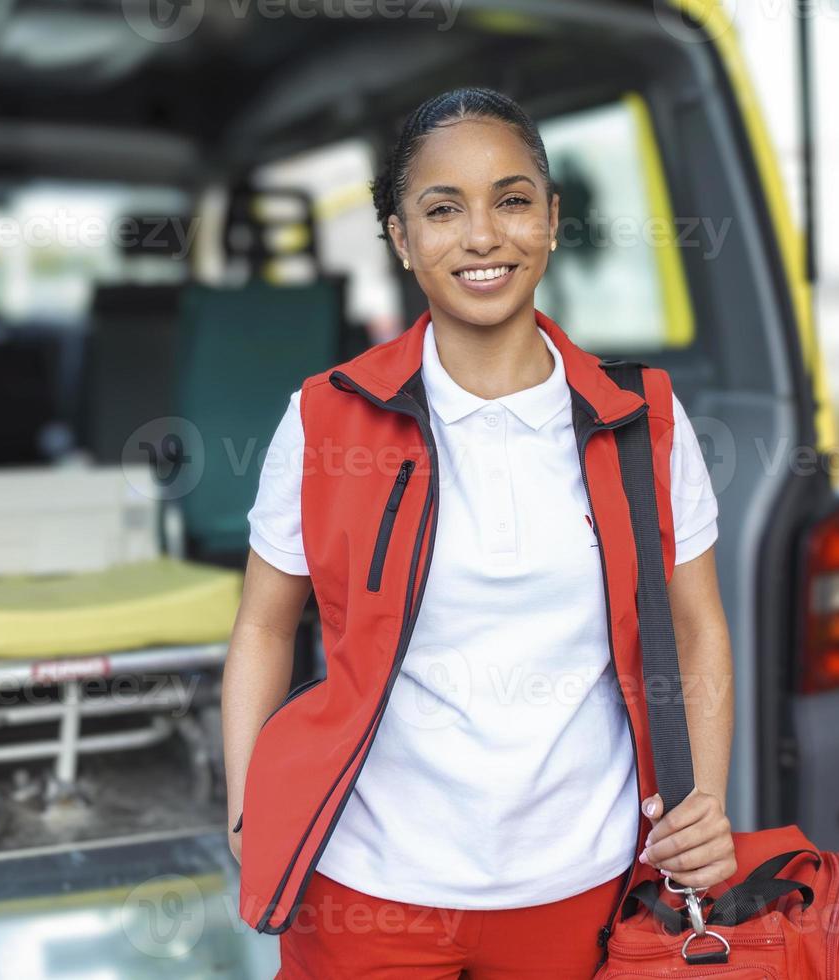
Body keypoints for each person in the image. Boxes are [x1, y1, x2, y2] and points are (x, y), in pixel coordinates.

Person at [222, 86, 736, 978]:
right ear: (400, 237)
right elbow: (265, 628)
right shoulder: (324, 420)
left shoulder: (642, 418)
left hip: (582, 884)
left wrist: (706, 802)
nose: (483, 236)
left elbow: (696, 627)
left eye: (512, 200)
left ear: (551, 217)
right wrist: (245, 811)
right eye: (442, 209)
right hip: (367, 884)